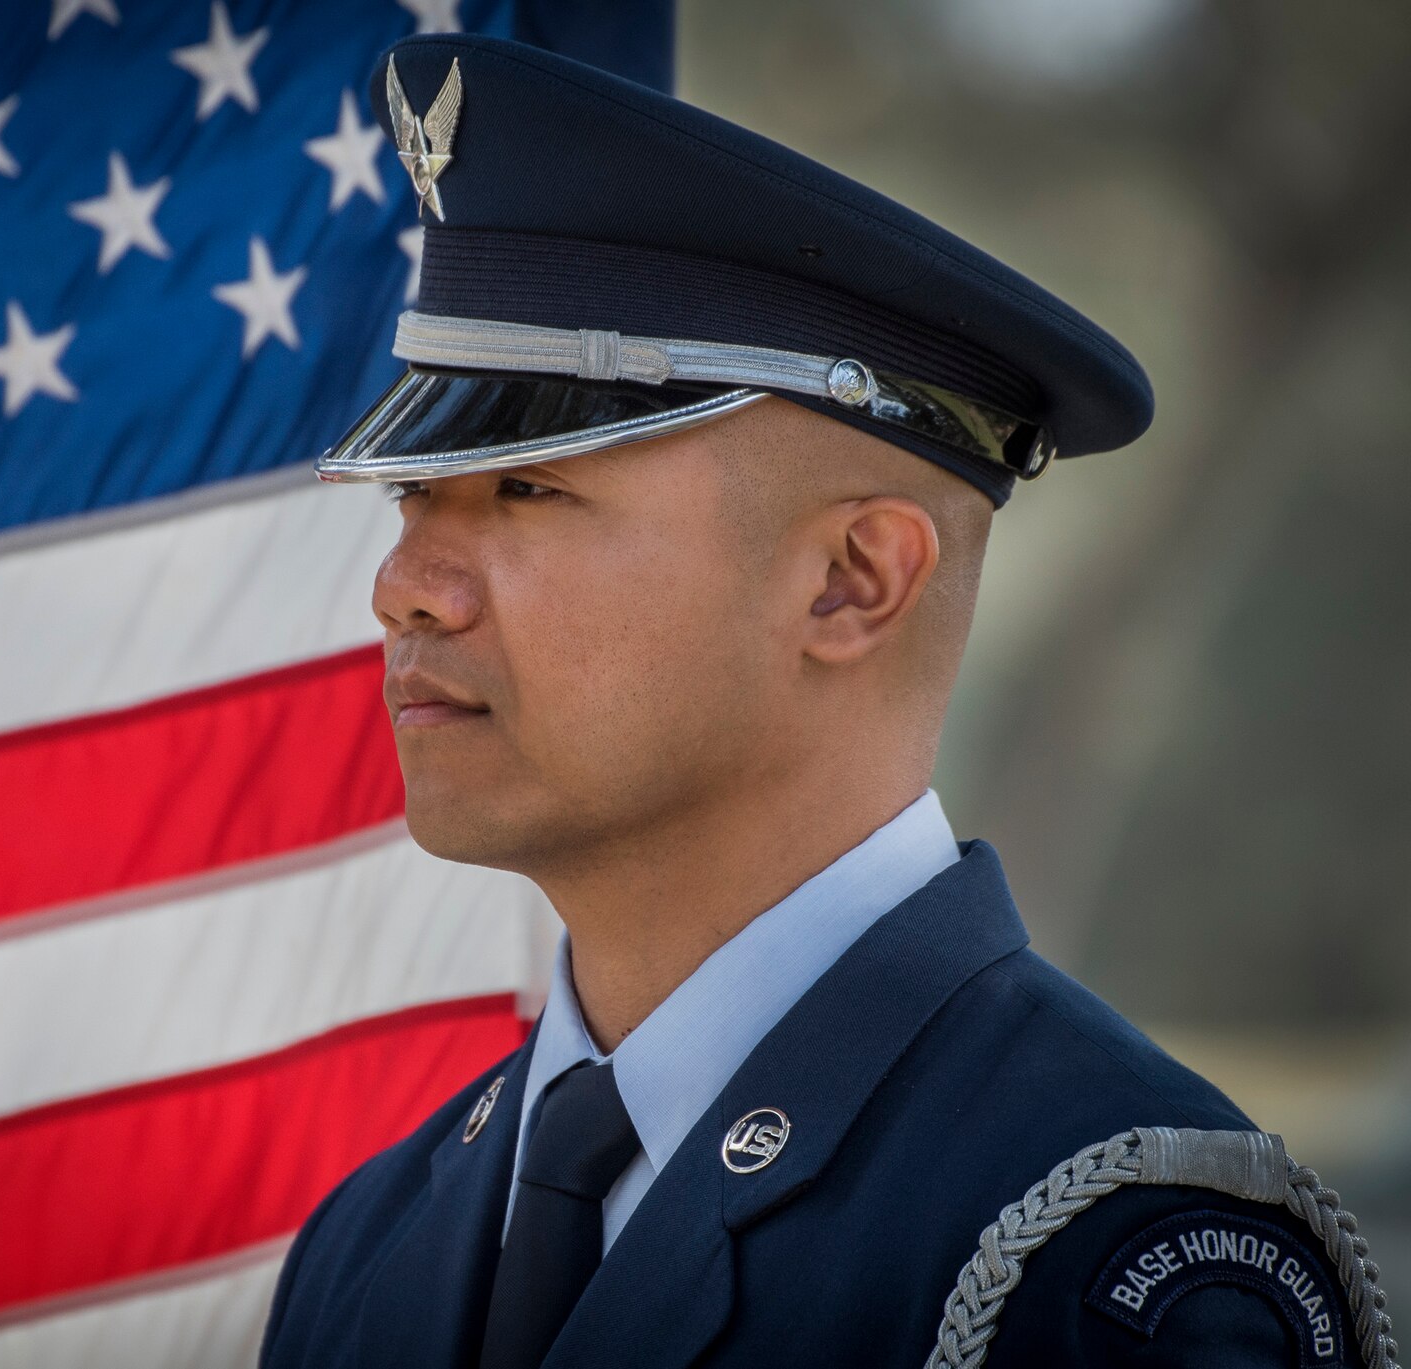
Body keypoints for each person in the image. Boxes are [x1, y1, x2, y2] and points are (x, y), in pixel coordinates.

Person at [259, 32, 1380, 1369]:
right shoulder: (373, 1241)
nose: (407, 587)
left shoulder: (1108, 1262)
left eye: (529, 489)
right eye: (415, 496)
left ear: (853, 581)